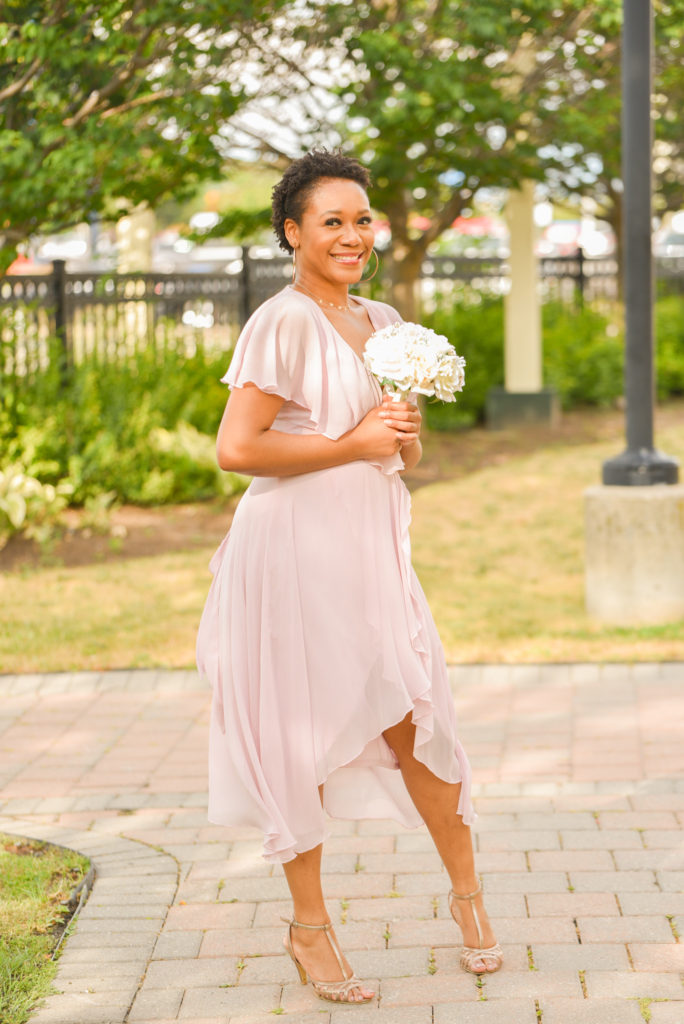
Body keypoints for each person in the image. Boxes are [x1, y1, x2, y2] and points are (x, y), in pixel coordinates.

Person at [196, 149, 502, 1005]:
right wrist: (354, 444)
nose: (352, 235)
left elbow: (399, 448)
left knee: (419, 717)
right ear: (293, 233)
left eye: (361, 219)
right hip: (291, 556)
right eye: (331, 221)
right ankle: (309, 929)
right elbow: (237, 449)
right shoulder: (281, 321)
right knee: (298, 733)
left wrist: (401, 434)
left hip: (371, 552)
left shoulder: (384, 318)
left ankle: (469, 894)